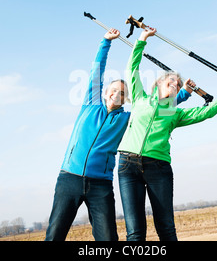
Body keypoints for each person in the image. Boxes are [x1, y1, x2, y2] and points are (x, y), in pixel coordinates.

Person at [45, 28, 193, 241]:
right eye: (113, 90)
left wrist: (183, 94)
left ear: (126, 99)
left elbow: (156, 112)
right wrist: (106, 42)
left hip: (100, 184)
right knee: (55, 234)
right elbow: (97, 71)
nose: (117, 94)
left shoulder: (126, 119)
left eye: (123, 93)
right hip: (69, 177)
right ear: (106, 92)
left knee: (108, 239)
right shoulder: (90, 104)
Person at [117, 27, 217, 241]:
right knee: (135, 233)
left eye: (177, 85)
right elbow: (132, 67)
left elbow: (207, 112)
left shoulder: (173, 112)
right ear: (158, 84)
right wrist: (142, 39)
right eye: (171, 82)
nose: (175, 85)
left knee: (166, 228)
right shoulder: (140, 98)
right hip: (128, 165)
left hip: (158, 167)